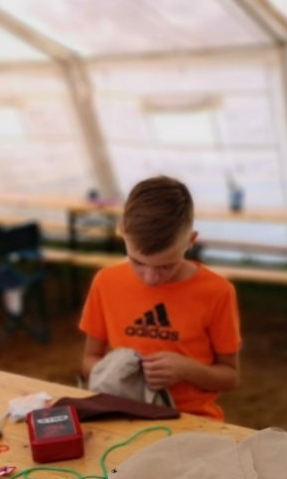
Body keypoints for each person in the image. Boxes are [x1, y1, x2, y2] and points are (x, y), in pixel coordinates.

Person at [80, 175, 241, 420]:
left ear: (190, 241)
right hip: (124, 413)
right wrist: (114, 371)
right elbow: (89, 360)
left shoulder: (217, 291)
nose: (150, 278)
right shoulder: (106, 281)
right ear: (122, 233)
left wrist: (186, 369)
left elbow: (230, 377)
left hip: (190, 418)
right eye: (137, 262)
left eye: (166, 266)